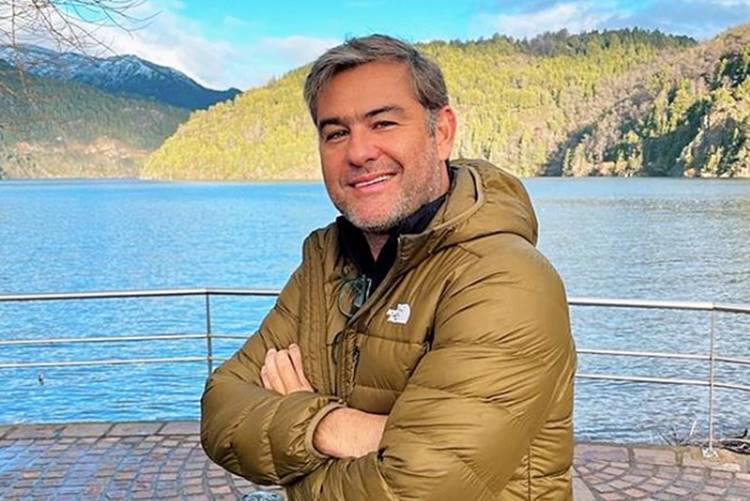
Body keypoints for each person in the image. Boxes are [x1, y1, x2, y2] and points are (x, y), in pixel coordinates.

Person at [201, 34, 576, 500]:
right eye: (336, 133)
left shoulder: (504, 280)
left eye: (383, 123)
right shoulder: (326, 266)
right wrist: (329, 425)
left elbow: (417, 489)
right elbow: (221, 410)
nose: (358, 152)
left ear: (442, 132)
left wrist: (295, 428)